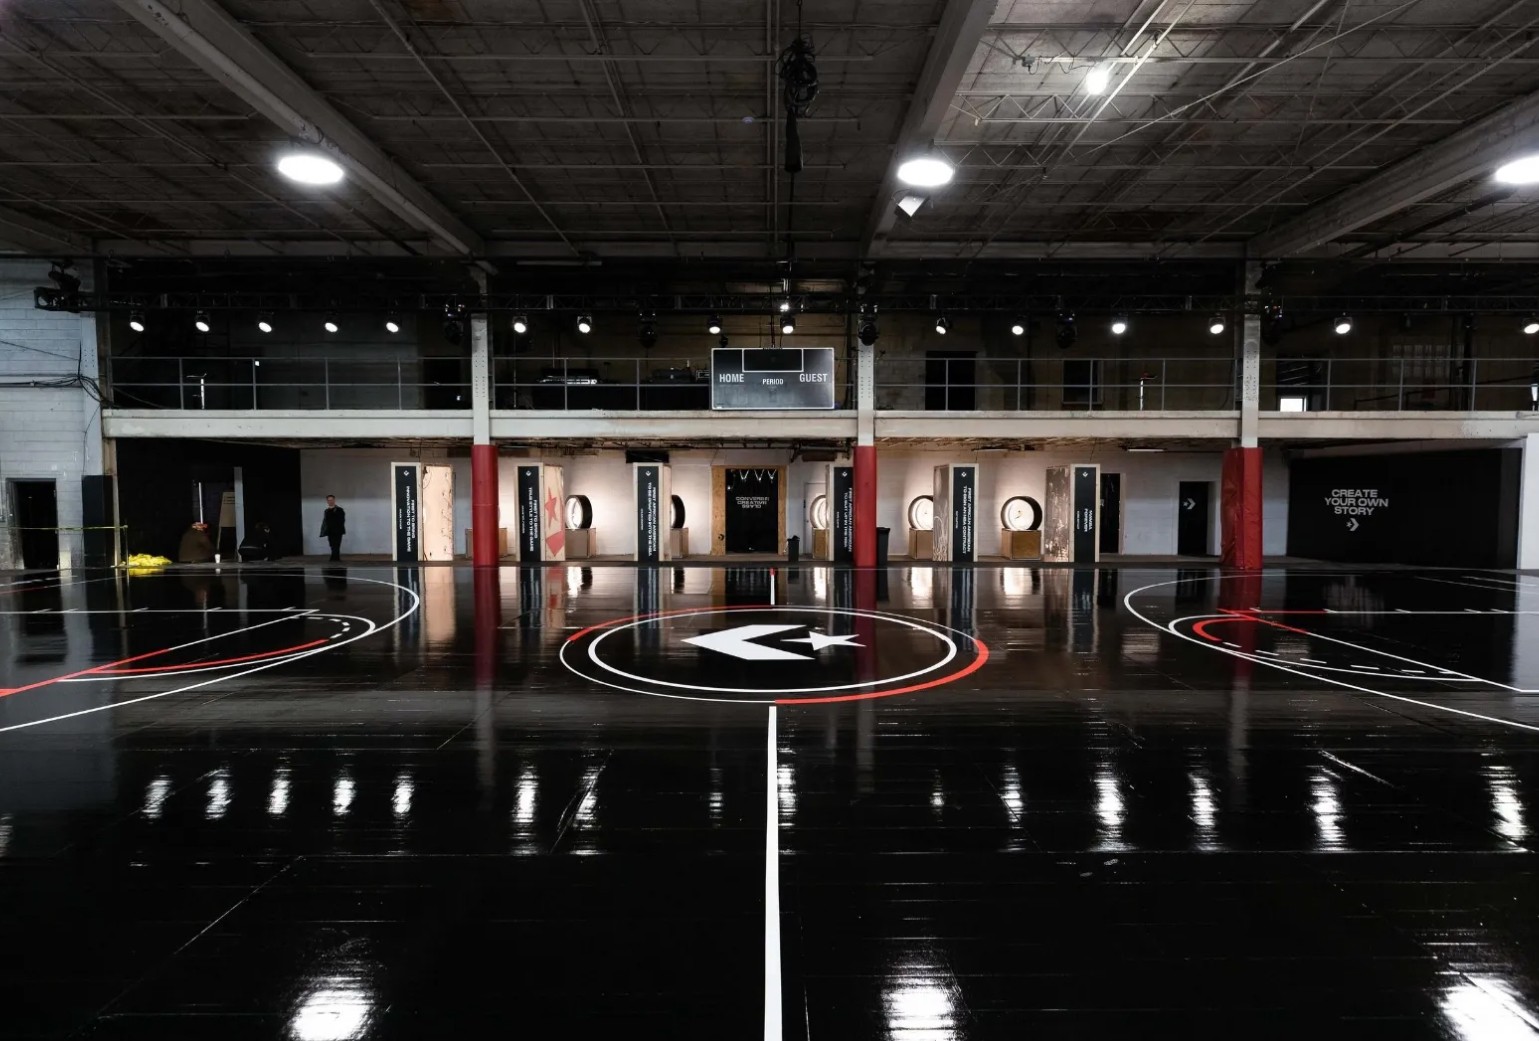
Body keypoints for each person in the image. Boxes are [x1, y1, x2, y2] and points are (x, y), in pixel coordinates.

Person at [320, 495, 346, 562]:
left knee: (336, 545)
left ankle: (334, 559)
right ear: (327, 501)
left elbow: (342, 521)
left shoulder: (339, 510)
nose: (330, 501)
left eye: (331, 500)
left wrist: (337, 528)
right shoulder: (326, 511)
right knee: (332, 545)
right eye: (329, 500)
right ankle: (335, 558)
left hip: (337, 531)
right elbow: (325, 521)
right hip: (330, 531)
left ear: (334, 500)